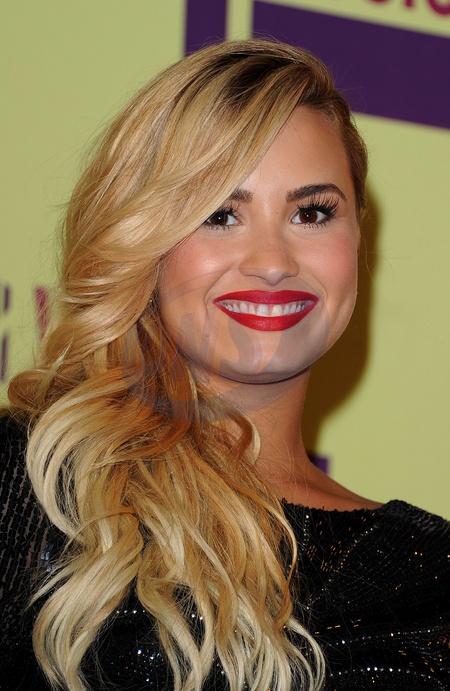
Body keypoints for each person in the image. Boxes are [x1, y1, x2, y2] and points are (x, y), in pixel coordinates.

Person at [0, 39, 448, 691]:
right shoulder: (36, 481)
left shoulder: (429, 573)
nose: (272, 262)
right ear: (146, 243)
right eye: (220, 214)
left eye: (311, 212)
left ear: (358, 235)